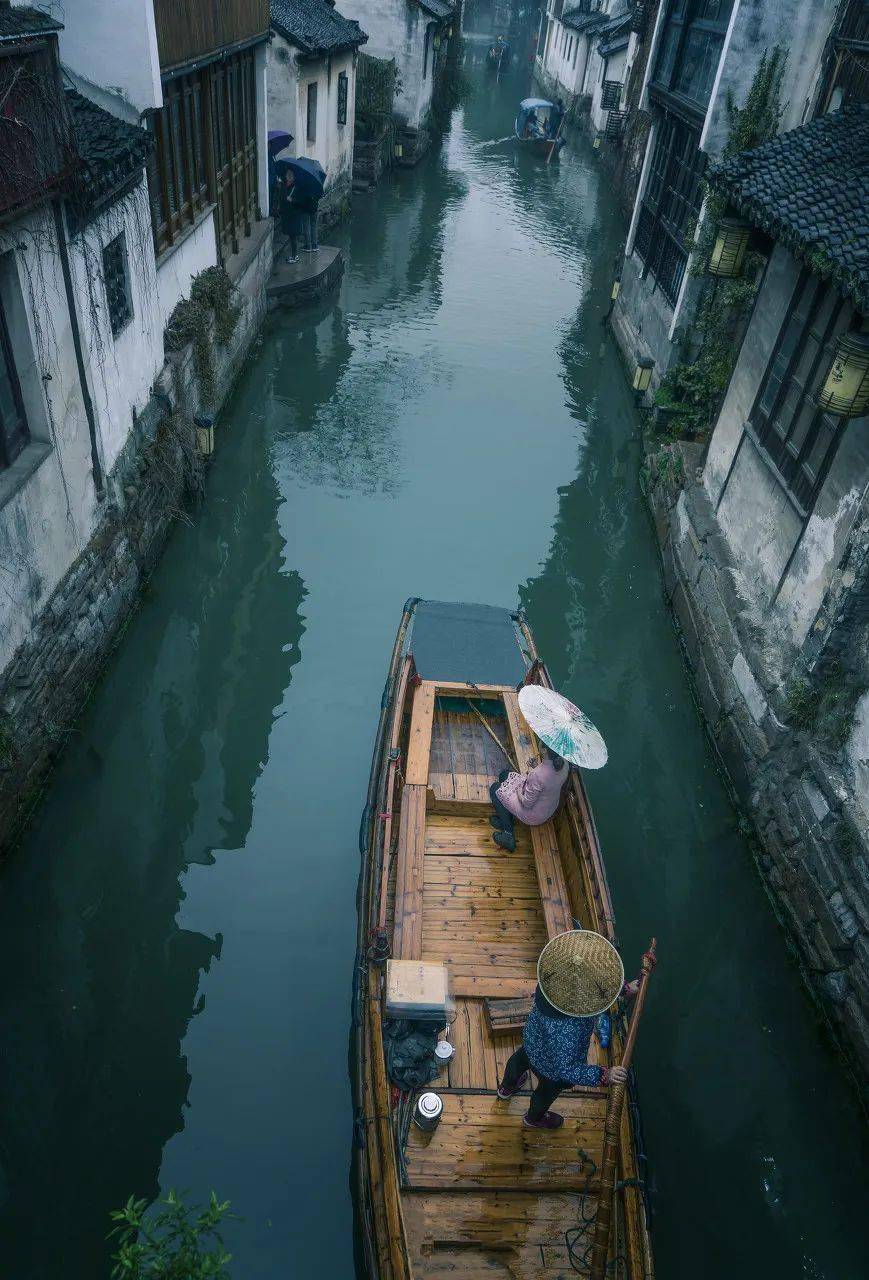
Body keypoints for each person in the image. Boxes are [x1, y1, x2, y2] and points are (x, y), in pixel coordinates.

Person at [496, 939, 654, 1130]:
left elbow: (593, 987)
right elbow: (567, 1070)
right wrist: (604, 1074)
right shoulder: (571, 1027)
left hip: (532, 1043)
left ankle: (506, 1088)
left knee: (517, 1062)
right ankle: (533, 1118)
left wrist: (624, 989)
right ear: (582, 1000)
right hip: (552, 1071)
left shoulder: (548, 986)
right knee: (544, 1095)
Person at [488, 745, 569, 852]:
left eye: (541, 743)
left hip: (533, 813)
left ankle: (508, 834)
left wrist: (517, 791)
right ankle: (506, 819)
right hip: (548, 807)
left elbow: (526, 803)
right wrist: (536, 766)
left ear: (544, 750)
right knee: (504, 775)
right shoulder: (564, 764)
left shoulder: (538, 775)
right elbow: (548, 780)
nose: (539, 742)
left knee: (495, 789)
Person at [279, 170, 305, 264]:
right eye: (287, 174)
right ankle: (294, 255)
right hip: (287, 214)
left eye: (291, 175)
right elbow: (281, 197)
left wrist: (292, 200)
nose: (289, 176)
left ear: (294, 177)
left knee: (293, 236)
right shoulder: (284, 185)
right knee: (291, 235)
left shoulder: (297, 187)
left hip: (294, 215)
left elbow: (301, 202)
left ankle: (294, 256)